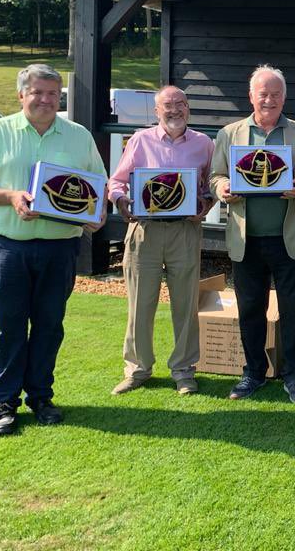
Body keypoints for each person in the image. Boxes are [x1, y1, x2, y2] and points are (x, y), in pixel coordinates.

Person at [0, 63, 106, 435]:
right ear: (21, 94)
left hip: (59, 250)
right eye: (38, 92)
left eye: (53, 94)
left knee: (49, 327)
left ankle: (41, 396)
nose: (45, 99)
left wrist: (96, 215)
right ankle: (4, 403)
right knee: (7, 327)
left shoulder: (78, 135)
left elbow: (97, 188)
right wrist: (8, 196)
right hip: (8, 249)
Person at [209, 66, 295, 402]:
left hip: (288, 237)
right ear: (251, 96)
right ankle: (253, 372)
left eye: (275, 94)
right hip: (246, 240)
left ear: (284, 97)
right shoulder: (229, 134)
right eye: (263, 93)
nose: (269, 99)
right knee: (249, 309)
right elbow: (215, 176)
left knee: (292, 309)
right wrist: (224, 188)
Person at [107, 86, 215, 396]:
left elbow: (210, 185)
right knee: (140, 304)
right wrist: (121, 200)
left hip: (184, 230)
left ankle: (183, 370)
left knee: (185, 304)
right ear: (157, 112)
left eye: (180, 104)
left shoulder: (203, 143)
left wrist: (205, 204)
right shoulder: (141, 140)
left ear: (188, 108)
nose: (175, 110)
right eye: (167, 106)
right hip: (146, 231)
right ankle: (138, 369)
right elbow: (117, 181)